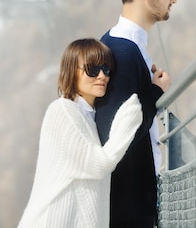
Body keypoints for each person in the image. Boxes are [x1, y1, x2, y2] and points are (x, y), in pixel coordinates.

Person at [17, 38, 142, 228]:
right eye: (92, 69)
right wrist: (132, 114)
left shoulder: (89, 119)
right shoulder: (62, 111)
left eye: (106, 69)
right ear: (71, 71)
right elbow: (98, 164)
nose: (102, 76)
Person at [96, 0, 177, 228]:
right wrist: (156, 91)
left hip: (128, 207)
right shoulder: (121, 50)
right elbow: (119, 134)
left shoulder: (125, 45)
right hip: (125, 211)